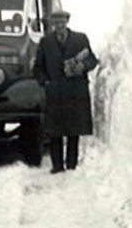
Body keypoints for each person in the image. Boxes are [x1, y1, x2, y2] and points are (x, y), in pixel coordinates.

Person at [33, 10, 98, 174]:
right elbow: (38, 67)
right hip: (55, 92)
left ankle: (71, 165)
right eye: (56, 23)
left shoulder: (80, 38)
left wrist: (82, 66)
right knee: (55, 131)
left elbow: (92, 59)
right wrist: (45, 82)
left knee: (73, 130)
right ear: (52, 24)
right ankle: (57, 166)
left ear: (67, 21)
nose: (59, 26)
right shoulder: (45, 42)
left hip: (76, 91)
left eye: (62, 22)